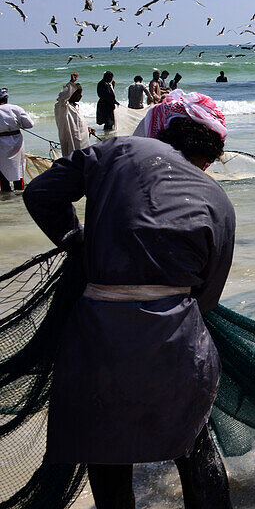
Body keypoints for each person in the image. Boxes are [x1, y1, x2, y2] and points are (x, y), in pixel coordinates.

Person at [23, 90, 235, 509]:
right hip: (180, 346)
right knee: (195, 447)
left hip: (99, 343)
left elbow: (41, 194)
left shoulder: (117, 149)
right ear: (207, 154)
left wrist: (79, 246)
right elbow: (207, 296)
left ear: (162, 125)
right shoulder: (218, 200)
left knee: (106, 453)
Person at [0, 88, 34, 193]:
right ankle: (19, 194)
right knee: (18, 168)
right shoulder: (16, 108)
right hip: (17, 142)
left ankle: (6, 194)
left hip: (1, 142)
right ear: (6, 99)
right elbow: (29, 124)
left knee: (2, 169)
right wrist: (19, 125)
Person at [55, 74, 92, 157]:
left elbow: (78, 123)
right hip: (72, 141)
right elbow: (61, 97)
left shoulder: (76, 107)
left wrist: (87, 128)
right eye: (79, 94)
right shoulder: (64, 107)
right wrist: (71, 83)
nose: (81, 96)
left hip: (82, 141)